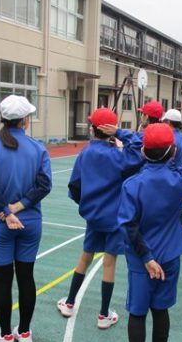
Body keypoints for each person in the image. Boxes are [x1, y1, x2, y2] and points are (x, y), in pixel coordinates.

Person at [117, 94, 182, 342]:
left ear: (143, 151)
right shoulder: (181, 180)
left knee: (137, 311)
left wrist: (146, 258)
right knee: (161, 310)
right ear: (172, 151)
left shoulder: (133, 185)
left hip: (141, 260)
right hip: (170, 255)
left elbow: (128, 226)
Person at [57, 108, 143, 328]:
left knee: (85, 257)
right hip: (114, 217)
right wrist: (121, 133)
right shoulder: (118, 156)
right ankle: (104, 314)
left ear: (92, 128)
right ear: (111, 130)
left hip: (93, 216)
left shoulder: (85, 153)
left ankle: (69, 303)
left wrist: (86, 205)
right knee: (109, 263)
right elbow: (139, 150)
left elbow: (74, 185)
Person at [0, 95, 52, 342]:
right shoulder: (37, 148)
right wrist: (18, 208)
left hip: (0, 223)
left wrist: (6, 211)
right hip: (30, 222)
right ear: (25, 120)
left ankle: (6, 335)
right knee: (26, 276)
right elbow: (44, 185)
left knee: (2, 278)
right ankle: (25, 332)